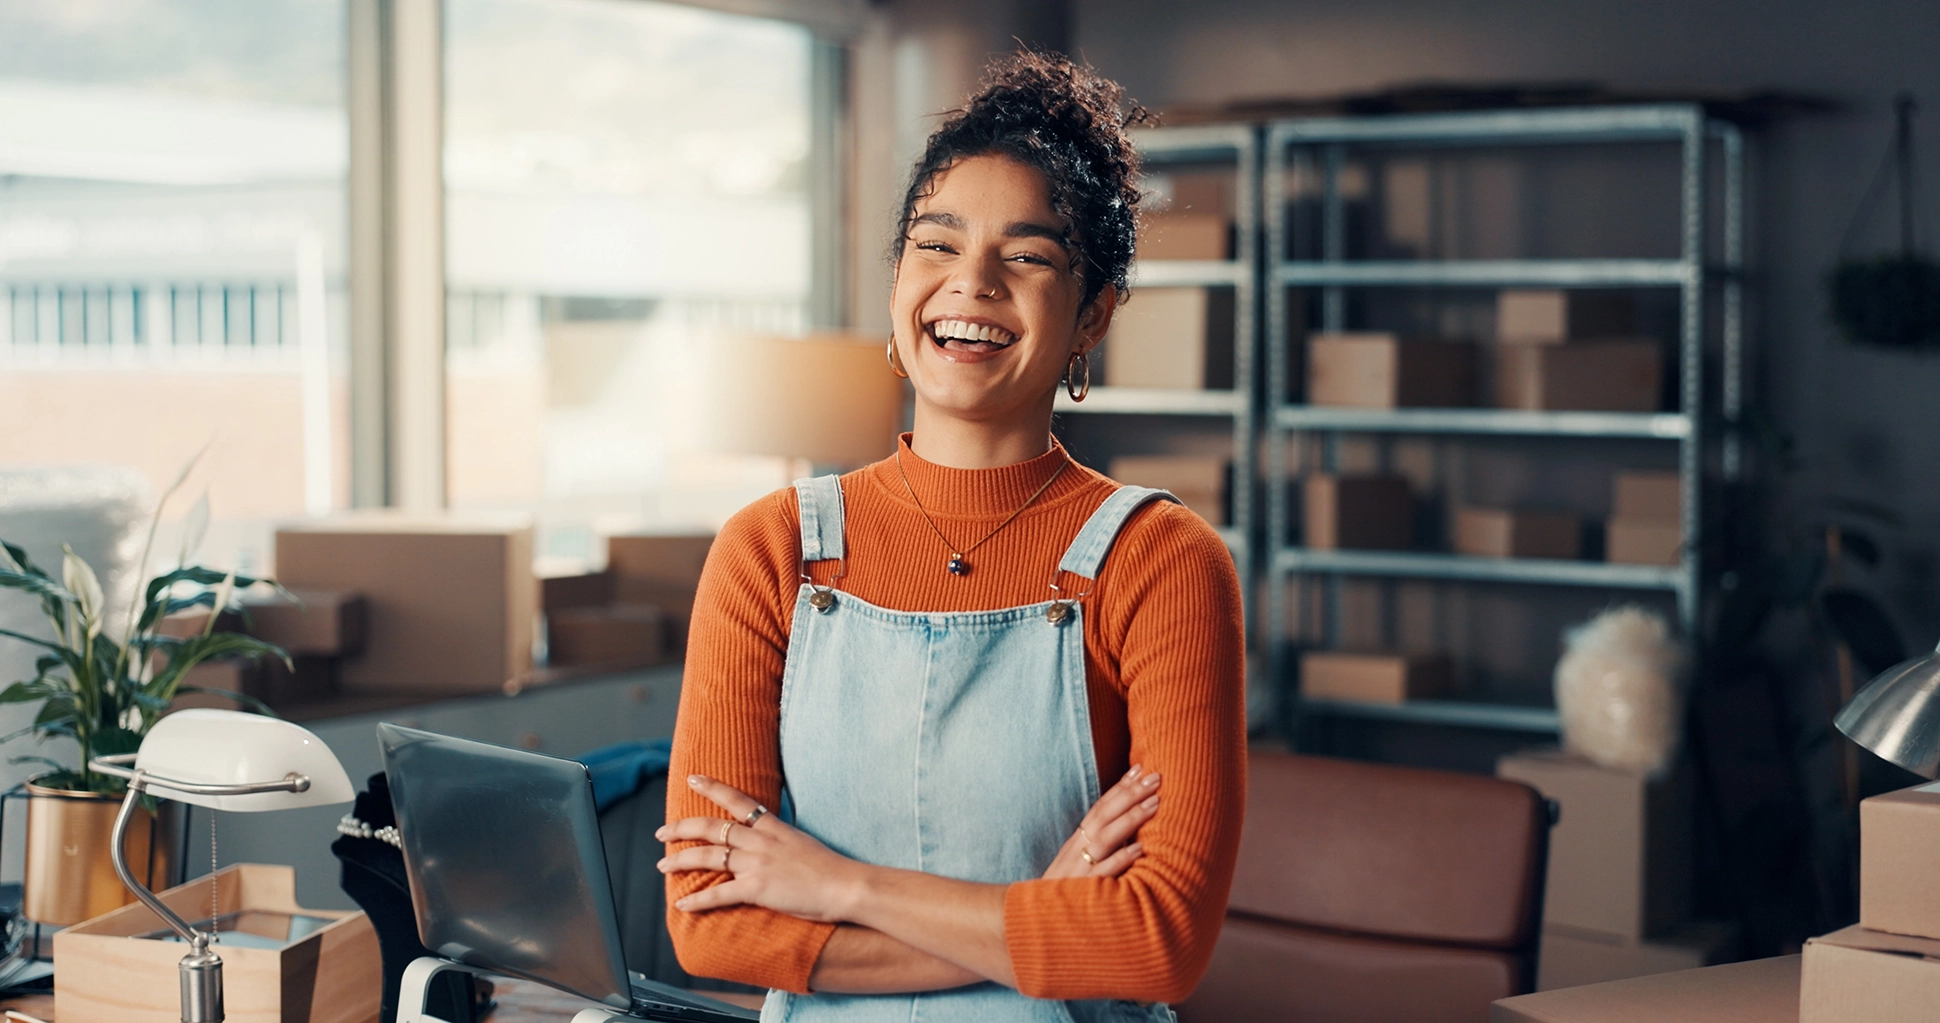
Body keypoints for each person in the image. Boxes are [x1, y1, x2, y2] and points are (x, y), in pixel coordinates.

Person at [657, 51, 1245, 1022]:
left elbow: (1157, 942)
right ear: (897, 283)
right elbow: (711, 926)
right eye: (935, 245)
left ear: (1091, 315)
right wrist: (1043, 922)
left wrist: (838, 887)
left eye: (1028, 256)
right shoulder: (769, 551)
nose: (971, 283)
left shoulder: (1161, 561)